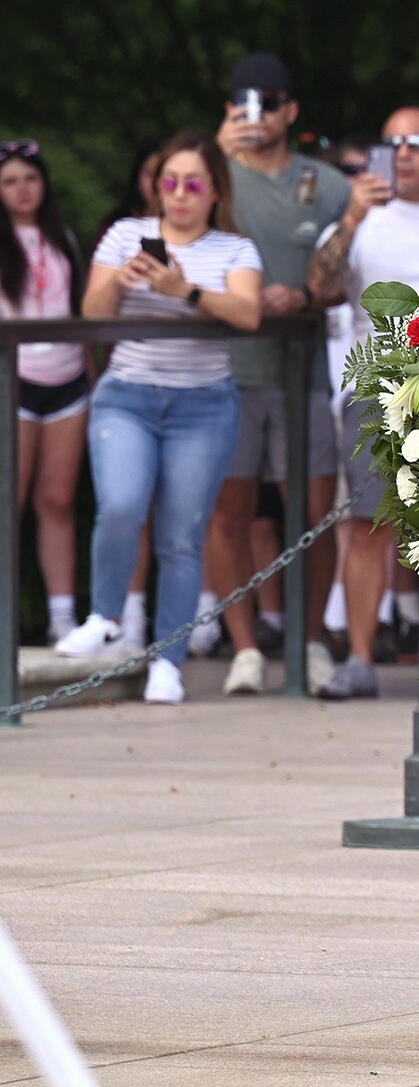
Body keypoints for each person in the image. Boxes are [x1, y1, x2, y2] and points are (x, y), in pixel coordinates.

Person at [57, 132, 262, 703]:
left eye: (192, 183)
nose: (178, 194)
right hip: (127, 396)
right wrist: (121, 282)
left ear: (215, 191)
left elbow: (247, 312)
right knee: (120, 506)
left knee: (181, 535)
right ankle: (104, 617)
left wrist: (185, 290)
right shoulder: (124, 235)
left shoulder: (235, 250)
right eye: (167, 182)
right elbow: (90, 314)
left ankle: (168, 660)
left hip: (202, 404)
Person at [306, 104, 419, 699]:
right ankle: (361, 661)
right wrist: (351, 214)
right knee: (368, 525)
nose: (402, 152)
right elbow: (318, 290)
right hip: (372, 389)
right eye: (391, 141)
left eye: (418, 141)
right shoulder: (360, 216)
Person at [206, 53, 350, 696]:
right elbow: (174, 233)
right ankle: (243, 649)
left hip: (304, 374)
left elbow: (348, 272)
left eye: (266, 101)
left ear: (290, 110)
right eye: (241, 101)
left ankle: (313, 640)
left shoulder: (328, 183)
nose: (253, 114)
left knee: (314, 513)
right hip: (226, 370)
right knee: (228, 514)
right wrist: (216, 159)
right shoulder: (208, 176)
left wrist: (307, 296)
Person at [0, 141, 89, 642]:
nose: (22, 189)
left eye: (30, 178)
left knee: (57, 501)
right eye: (10, 181)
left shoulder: (65, 239)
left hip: (69, 380)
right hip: (12, 381)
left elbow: (81, 314)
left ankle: (61, 618)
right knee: (6, 499)